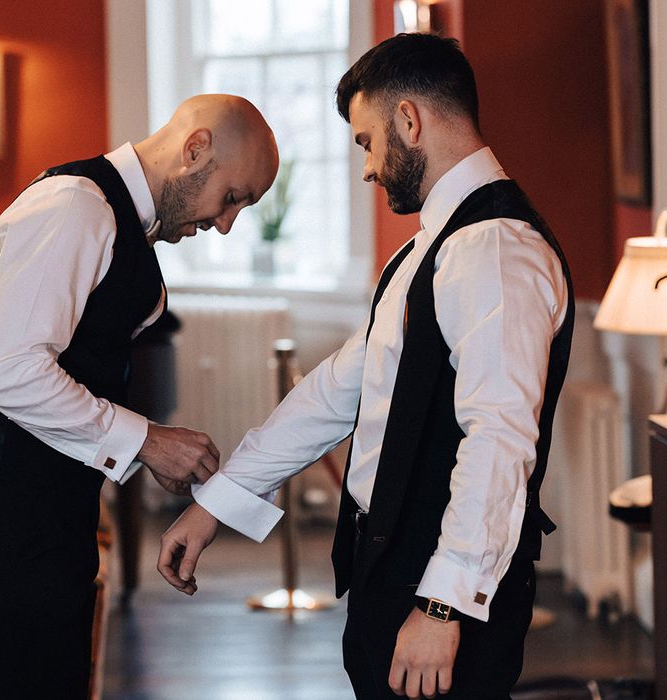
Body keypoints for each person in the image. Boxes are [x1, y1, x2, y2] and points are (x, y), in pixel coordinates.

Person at [158, 34, 574, 699]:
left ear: (409, 121)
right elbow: (334, 394)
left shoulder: (494, 250)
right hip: (389, 577)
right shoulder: (424, 254)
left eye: (366, 142)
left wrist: (443, 607)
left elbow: (499, 437)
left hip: (438, 594)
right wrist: (216, 503)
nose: (367, 167)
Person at [0, 94, 279, 700]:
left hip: (46, 520)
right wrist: (147, 439)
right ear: (195, 151)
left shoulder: (119, 222)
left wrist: (149, 451)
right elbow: (7, 371)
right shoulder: (75, 206)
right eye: (233, 197)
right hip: (3, 527)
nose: (226, 223)